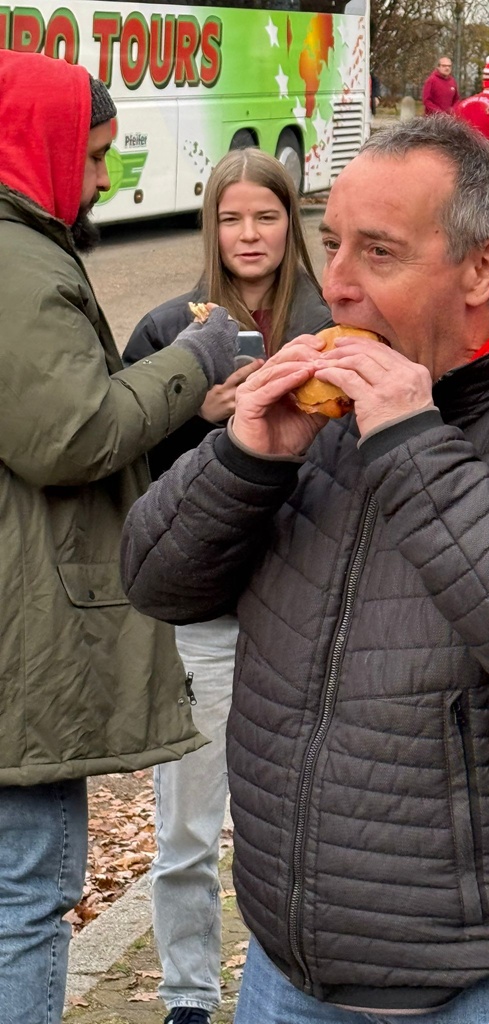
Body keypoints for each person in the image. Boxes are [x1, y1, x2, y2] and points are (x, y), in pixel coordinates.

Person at [121, 114, 489, 1024]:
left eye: (378, 252)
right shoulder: (316, 420)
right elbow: (156, 582)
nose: (336, 283)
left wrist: (412, 442)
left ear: (481, 269)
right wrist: (246, 458)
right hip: (290, 970)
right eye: (333, 242)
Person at [0, 50, 240, 1024]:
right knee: (27, 891)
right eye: (93, 155)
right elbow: (71, 435)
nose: (103, 178)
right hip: (21, 636)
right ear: (41, 147)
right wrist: (192, 360)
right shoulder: (19, 261)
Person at [122, 147, 332, 1024]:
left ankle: (306, 987)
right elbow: (133, 482)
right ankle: (187, 996)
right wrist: (194, 417)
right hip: (207, 620)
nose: (249, 235)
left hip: (311, 613)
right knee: (187, 828)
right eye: (231, 217)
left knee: (309, 825)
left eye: (267, 216)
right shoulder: (170, 331)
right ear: (209, 226)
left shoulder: (336, 322)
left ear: (293, 223)